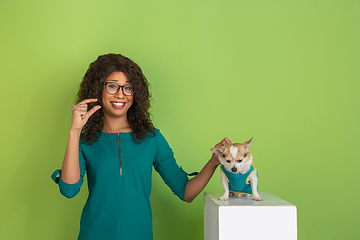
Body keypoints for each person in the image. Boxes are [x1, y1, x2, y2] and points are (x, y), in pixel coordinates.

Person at [51, 53, 231, 240]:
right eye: (112, 86)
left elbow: (186, 192)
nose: (120, 94)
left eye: (128, 88)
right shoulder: (85, 140)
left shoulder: (151, 139)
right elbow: (69, 190)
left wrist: (212, 163)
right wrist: (75, 131)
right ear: (98, 89)